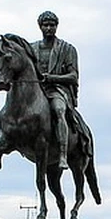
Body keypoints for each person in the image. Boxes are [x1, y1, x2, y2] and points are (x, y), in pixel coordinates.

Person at [32, 10, 80, 170]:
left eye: (52, 25)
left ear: (56, 26)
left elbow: (73, 76)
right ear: (40, 27)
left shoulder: (67, 49)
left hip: (56, 90)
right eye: (45, 25)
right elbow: (10, 60)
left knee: (58, 110)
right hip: (36, 91)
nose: (48, 28)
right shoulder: (31, 48)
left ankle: (62, 155)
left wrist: (52, 78)